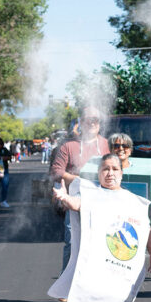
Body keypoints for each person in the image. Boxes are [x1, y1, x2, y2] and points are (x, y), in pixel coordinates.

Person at [53, 154, 151, 302]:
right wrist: (64, 198)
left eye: (114, 169)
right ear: (99, 173)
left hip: (121, 267)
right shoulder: (92, 196)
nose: (110, 173)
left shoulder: (132, 200)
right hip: (96, 266)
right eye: (105, 169)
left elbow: (145, 226)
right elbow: (77, 204)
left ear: (121, 173)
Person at [51, 106, 110, 270]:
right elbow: (56, 171)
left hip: (102, 200)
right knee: (72, 241)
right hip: (74, 201)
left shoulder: (107, 145)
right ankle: (66, 285)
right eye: (88, 120)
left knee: (101, 242)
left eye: (95, 120)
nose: (92, 123)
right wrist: (80, 181)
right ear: (81, 122)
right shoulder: (68, 146)